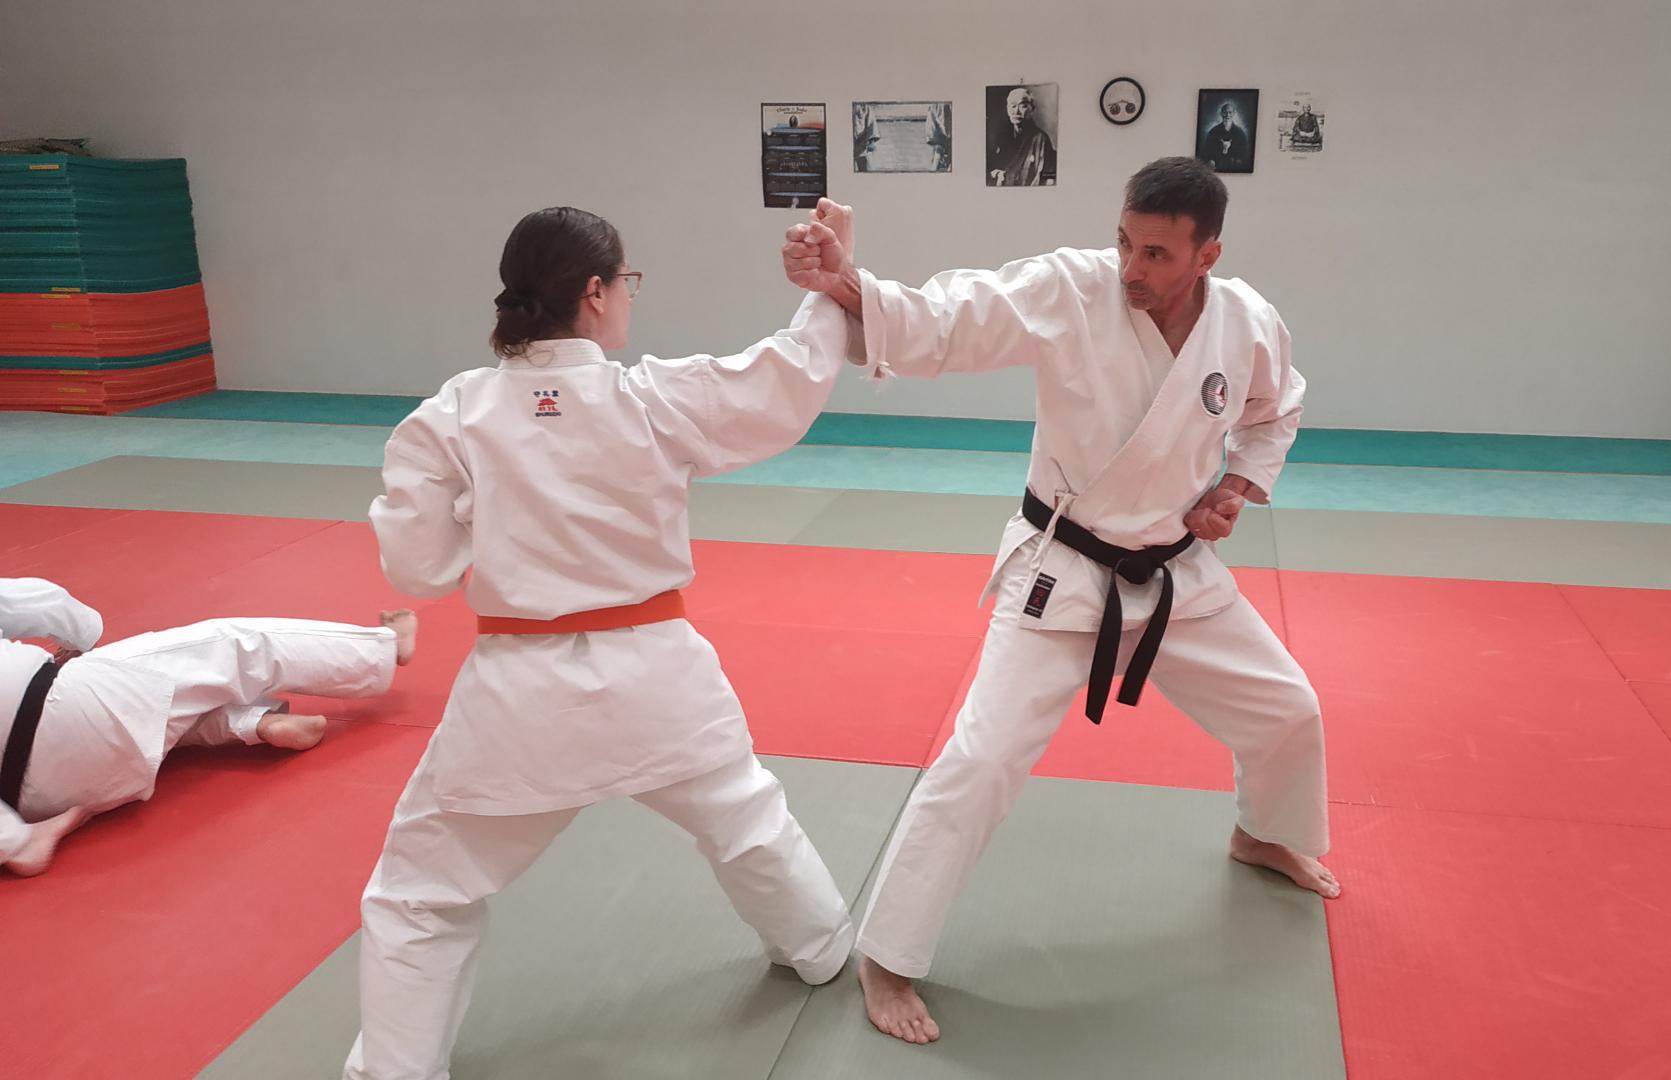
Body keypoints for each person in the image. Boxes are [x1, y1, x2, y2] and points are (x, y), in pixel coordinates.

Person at [782, 158, 1337, 1046]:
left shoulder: (1245, 321)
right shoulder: (1071, 289)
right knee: (980, 760)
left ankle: (1264, 833)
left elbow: (1276, 409)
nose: (1131, 268)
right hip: (1064, 573)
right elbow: (951, 316)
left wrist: (1236, 484)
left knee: (1289, 708)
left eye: (1156, 254)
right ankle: (887, 955)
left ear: (1208, 255)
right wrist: (848, 285)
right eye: (1125, 242)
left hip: (1176, 573)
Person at [344, 206, 858, 1079]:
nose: (628, 298)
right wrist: (828, 289)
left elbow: (419, 570)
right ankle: (820, 948)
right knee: (744, 820)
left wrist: (482, 509)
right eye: (627, 283)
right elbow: (782, 380)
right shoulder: (653, 396)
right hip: (658, 676)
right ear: (594, 292)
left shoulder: (454, 413)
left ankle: (393, 1068)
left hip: (518, 695)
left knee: (421, 891)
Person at [0, 577, 412, 877]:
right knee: (232, 646)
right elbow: (45, 601)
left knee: (154, 709)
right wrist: (83, 640)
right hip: (72, 708)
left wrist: (16, 840)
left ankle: (252, 723)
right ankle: (382, 647)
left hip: (40, 798)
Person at [987, 86, 1056, 186]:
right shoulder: (1002, 137)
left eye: (1022, 106)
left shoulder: (1041, 139)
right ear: (1007, 109)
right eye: (1013, 106)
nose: (1016, 112)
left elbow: (1049, 178)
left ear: (1032, 108)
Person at [1200, 101, 1252, 171]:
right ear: (1221, 113)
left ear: (1234, 114)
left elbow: (1244, 155)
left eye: (1230, 112)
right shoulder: (1213, 132)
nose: (1228, 115)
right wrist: (1211, 160)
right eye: (1225, 112)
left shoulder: (1240, 133)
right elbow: (1207, 152)